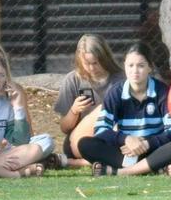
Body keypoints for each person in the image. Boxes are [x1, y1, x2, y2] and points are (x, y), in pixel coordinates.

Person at [77, 42, 171, 176]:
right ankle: (157, 167)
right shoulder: (115, 93)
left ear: (150, 67)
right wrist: (126, 139)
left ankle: (122, 171)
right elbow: (101, 130)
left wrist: (147, 143)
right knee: (85, 144)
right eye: (130, 65)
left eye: (141, 66)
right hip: (127, 151)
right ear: (124, 66)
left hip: (155, 150)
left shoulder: (162, 91)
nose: (135, 71)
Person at [0, 44, 54, 178]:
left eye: (1, 75)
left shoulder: (5, 103)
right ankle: (13, 174)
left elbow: (21, 142)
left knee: (45, 142)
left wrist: (18, 106)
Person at [53, 34, 125, 168]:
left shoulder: (121, 79)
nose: (92, 68)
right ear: (80, 60)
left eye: (95, 63)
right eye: (87, 63)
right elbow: (64, 128)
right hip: (80, 141)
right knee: (105, 108)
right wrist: (74, 111)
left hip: (113, 138)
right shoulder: (72, 80)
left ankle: (78, 163)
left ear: (105, 58)